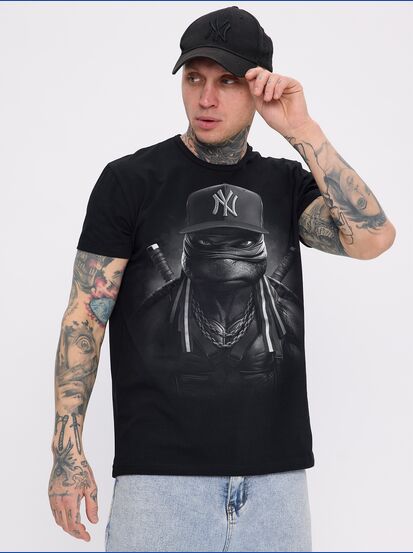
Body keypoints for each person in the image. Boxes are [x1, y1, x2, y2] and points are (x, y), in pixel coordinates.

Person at [48, 5, 396, 552]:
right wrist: (66, 454)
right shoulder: (129, 181)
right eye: (195, 78)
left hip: (276, 486)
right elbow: (84, 319)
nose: (206, 99)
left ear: (258, 87)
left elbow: (373, 238)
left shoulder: (287, 185)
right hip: (159, 485)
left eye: (227, 81)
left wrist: (302, 130)